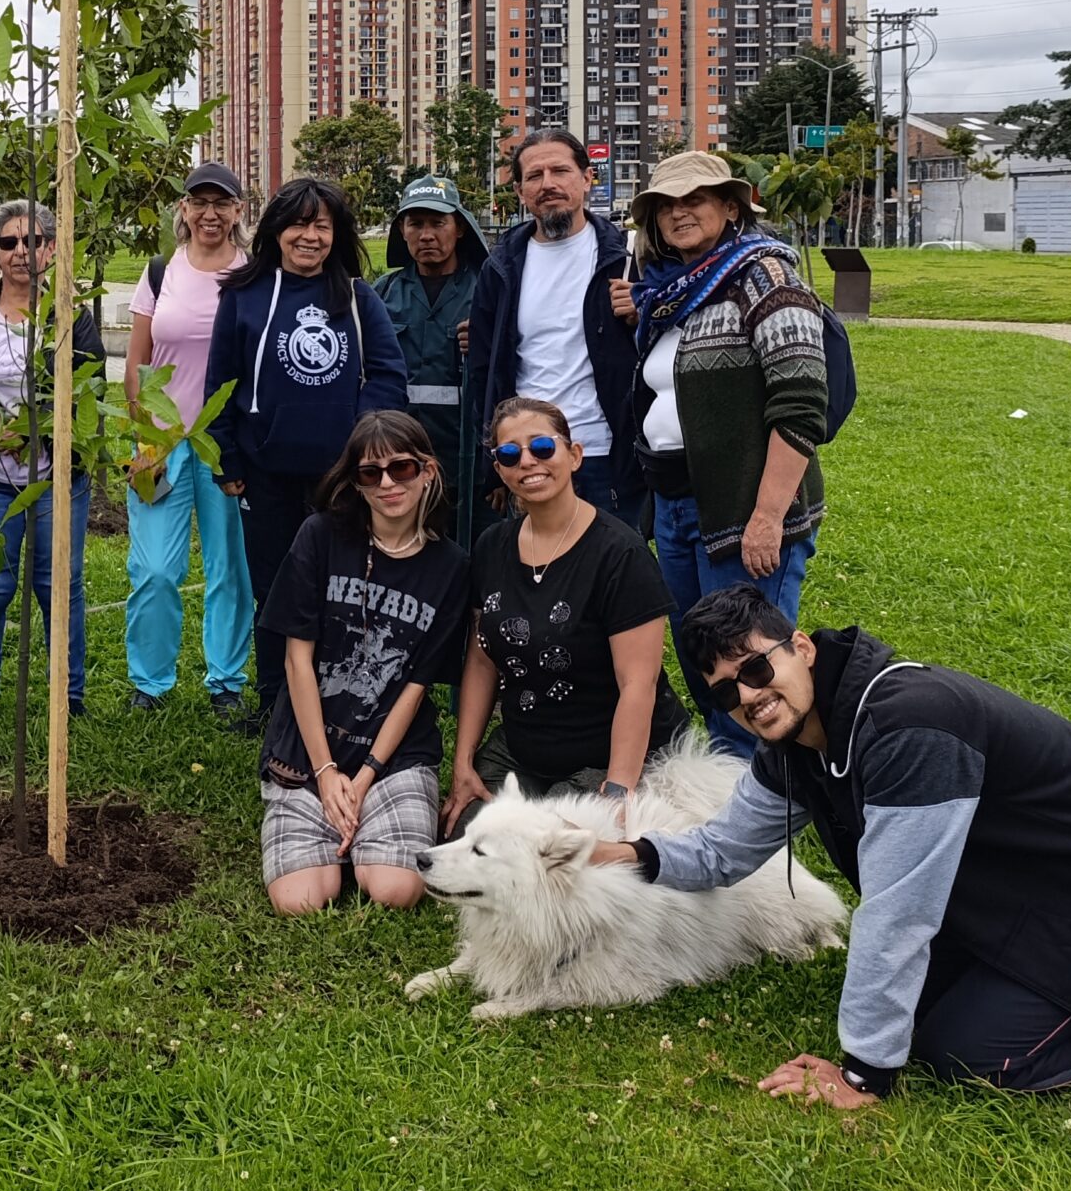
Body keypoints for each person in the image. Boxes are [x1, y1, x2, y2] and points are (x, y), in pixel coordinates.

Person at [591, 588, 1071, 1103]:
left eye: (755, 669)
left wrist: (863, 1073)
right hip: (1022, 891)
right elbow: (723, 851)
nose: (748, 696)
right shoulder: (797, 744)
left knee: (973, 1052)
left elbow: (898, 916)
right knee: (925, 1017)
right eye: (725, 695)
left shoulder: (905, 729)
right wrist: (630, 856)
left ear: (801, 648)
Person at [625, 150, 826, 756]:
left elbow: (800, 406)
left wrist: (766, 518)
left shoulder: (764, 276)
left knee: (753, 665)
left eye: (696, 201)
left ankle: (762, 796)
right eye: (666, 206)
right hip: (678, 504)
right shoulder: (674, 294)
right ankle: (729, 784)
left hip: (744, 511)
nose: (679, 214)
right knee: (704, 658)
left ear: (731, 207)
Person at [205, 174, 408, 721]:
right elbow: (219, 385)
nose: (310, 236)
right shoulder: (244, 296)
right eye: (299, 223)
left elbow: (388, 375)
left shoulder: (358, 298)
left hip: (340, 479)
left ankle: (339, 699)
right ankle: (276, 704)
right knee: (272, 590)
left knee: (341, 590)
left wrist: (361, 447)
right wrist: (226, 459)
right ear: (276, 230)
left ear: (336, 234)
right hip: (264, 473)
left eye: (322, 224)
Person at [442, 396, 691, 832]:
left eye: (542, 447)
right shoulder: (491, 547)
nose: (528, 462)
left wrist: (618, 789)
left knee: (545, 848)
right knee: (465, 830)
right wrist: (464, 763)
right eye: (509, 454)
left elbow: (639, 683)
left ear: (574, 456)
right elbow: (481, 658)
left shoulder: (620, 555)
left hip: (606, 754)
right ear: (499, 470)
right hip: (524, 748)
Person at [257, 410, 470, 914]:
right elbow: (296, 664)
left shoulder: (452, 567)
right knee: (301, 901)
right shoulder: (320, 536)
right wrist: (327, 772)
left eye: (402, 468)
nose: (388, 484)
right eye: (370, 474)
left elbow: (418, 685)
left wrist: (367, 774)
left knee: (396, 890)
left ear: (428, 471)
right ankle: (341, 831)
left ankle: (364, 831)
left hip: (395, 757)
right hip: (306, 752)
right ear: (355, 482)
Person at [0, 199, 106, 721]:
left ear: (51, 248)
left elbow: (89, 385)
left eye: (33, 241)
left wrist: (38, 429)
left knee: (59, 588)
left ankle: (67, 697)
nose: (20, 253)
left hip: (57, 476)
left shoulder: (71, 316)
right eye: (8, 243)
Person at [122, 161, 255, 718]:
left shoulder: (254, 274)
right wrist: (140, 438)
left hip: (226, 443)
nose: (210, 213)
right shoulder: (159, 273)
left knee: (232, 567)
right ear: (183, 209)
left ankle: (225, 680)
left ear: (238, 211)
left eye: (221, 203)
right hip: (163, 440)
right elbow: (136, 362)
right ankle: (149, 684)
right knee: (154, 568)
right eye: (199, 202)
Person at [463, 127, 643, 531]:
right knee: (537, 580)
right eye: (534, 176)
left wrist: (643, 311)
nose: (548, 184)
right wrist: (495, 461)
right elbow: (483, 371)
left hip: (603, 454)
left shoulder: (628, 259)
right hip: (529, 457)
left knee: (611, 583)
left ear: (586, 178)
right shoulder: (501, 267)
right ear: (520, 191)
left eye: (560, 171)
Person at [374, 173, 490, 540]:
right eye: (416, 223)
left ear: (459, 229)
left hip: (468, 460)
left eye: (438, 223)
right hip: (398, 461)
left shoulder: (488, 290)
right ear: (402, 231)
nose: (427, 235)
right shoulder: (383, 293)